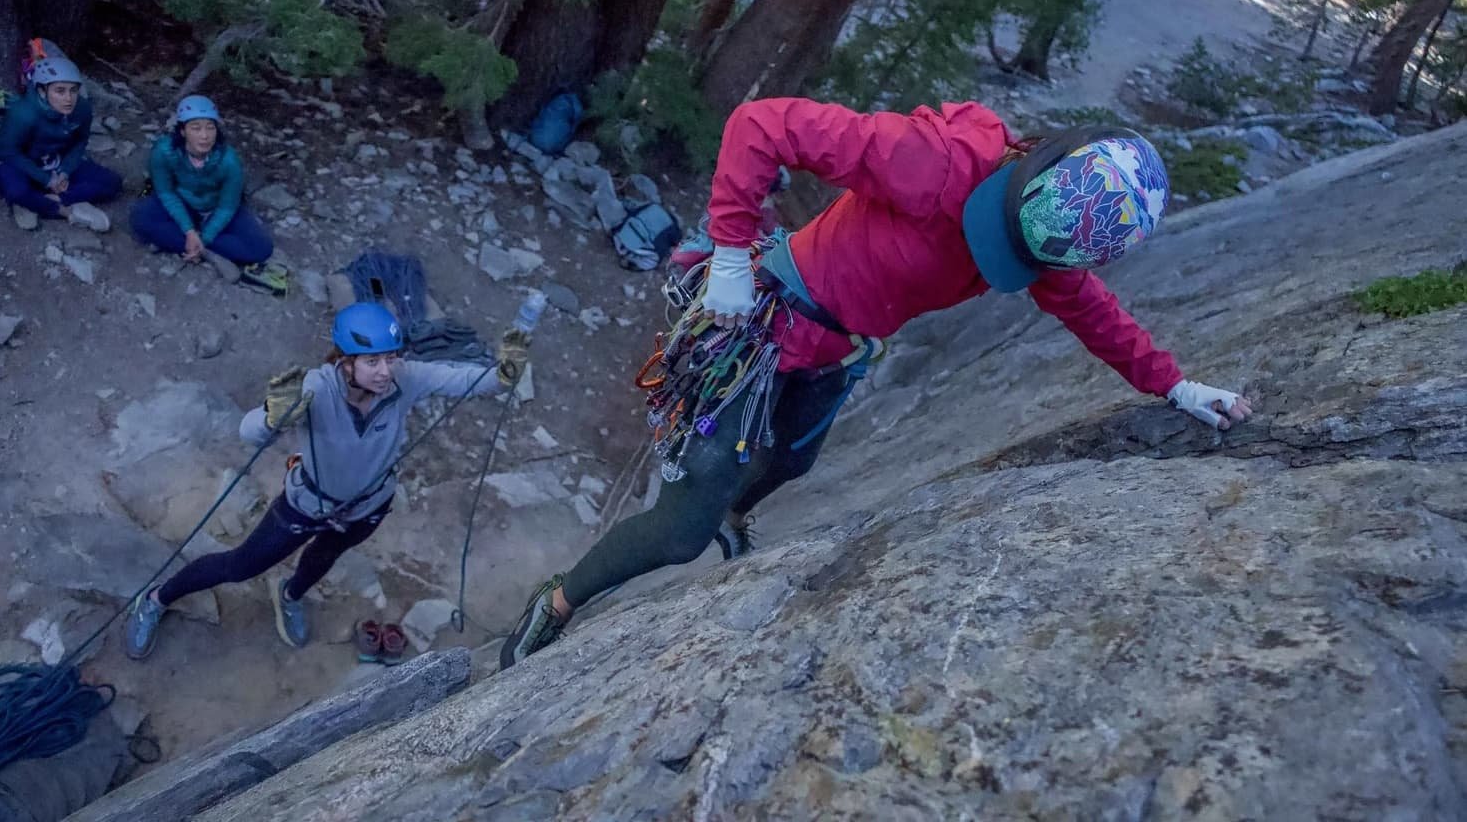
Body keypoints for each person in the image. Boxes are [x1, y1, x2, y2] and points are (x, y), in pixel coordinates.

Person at [500, 99, 1255, 668]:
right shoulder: (936, 161)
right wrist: (729, 251)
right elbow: (761, 124)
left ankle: (730, 511)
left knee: (793, 460)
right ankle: (558, 600)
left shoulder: (1044, 243)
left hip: (836, 346)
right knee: (678, 532)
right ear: (1030, 168)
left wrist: (1175, 386)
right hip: (758, 321)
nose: (990, 251)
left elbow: (1092, 313)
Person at [123, 302, 526, 658]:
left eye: (390, 358)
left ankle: (290, 595)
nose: (385, 371)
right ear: (346, 362)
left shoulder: (405, 379)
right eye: (372, 361)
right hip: (307, 503)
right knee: (241, 565)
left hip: (369, 506)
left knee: (324, 557)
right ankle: (157, 598)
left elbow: (461, 380)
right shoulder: (317, 388)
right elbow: (249, 431)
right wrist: (273, 417)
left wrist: (503, 375)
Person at [129, 95, 274, 278]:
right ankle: (201, 248)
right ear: (183, 131)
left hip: (216, 207)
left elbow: (227, 206)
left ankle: (194, 246)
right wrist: (189, 230)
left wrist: (205, 238)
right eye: (196, 128)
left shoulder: (228, 160)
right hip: (183, 202)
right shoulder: (164, 151)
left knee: (262, 249)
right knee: (140, 217)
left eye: (210, 127)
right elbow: (166, 192)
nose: (204, 136)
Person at [0, 57, 120, 231]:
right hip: (21, 164)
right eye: (60, 91)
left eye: (73, 90)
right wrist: (46, 179)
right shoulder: (23, 113)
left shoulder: (82, 109)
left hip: (54, 161)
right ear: (42, 90)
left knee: (112, 182)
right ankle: (65, 211)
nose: (68, 98)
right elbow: (7, 151)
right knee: (16, 190)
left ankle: (53, 199)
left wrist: (65, 171)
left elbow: (80, 141)